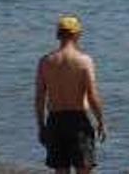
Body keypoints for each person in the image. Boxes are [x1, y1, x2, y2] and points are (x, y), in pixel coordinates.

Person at [36, 16, 107, 174]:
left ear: (58, 35)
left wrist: (41, 126)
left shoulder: (45, 62)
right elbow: (92, 95)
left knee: (61, 170)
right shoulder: (84, 61)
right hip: (78, 120)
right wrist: (101, 121)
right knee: (83, 169)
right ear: (77, 35)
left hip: (55, 120)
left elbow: (40, 98)